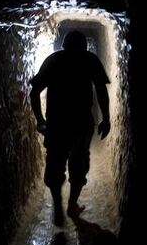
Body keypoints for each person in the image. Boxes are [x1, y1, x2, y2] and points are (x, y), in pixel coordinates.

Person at [29, 30, 111, 225]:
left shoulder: (54, 60)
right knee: (79, 164)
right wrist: (106, 118)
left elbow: (34, 93)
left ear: (64, 44)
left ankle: (58, 204)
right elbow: (101, 90)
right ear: (84, 45)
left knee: (55, 164)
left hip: (57, 123)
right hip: (81, 123)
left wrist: (40, 120)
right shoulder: (90, 59)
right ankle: (71, 205)